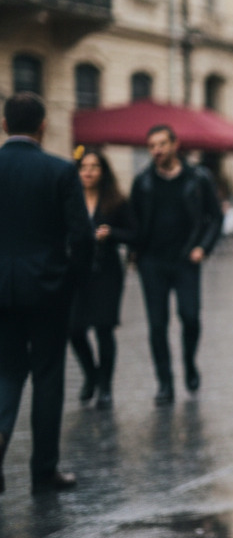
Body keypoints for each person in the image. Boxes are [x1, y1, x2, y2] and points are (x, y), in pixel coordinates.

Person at [0, 92, 92, 493]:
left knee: (6, 371)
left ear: (4, 125)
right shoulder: (59, 170)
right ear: (42, 126)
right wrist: (72, 280)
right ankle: (44, 469)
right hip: (48, 289)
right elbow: (83, 237)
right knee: (48, 375)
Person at [129, 124, 221, 405]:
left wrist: (202, 248)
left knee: (190, 317)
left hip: (185, 260)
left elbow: (215, 218)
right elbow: (134, 221)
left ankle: (190, 363)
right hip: (152, 262)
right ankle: (165, 382)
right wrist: (134, 253)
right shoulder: (142, 182)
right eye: (152, 146)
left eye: (161, 144)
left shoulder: (198, 177)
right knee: (157, 326)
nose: (157, 151)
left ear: (175, 144)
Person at [70, 148, 137, 410]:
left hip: (107, 273)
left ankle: (105, 386)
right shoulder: (70, 199)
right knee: (74, 330)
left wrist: (112, 233)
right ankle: (91, 374)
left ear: (103, 171)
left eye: (94, 166)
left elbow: (134, 234)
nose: (88, 171)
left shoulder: (116, 201)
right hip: (76, 272)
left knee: (104, 329)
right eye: (83, 166)